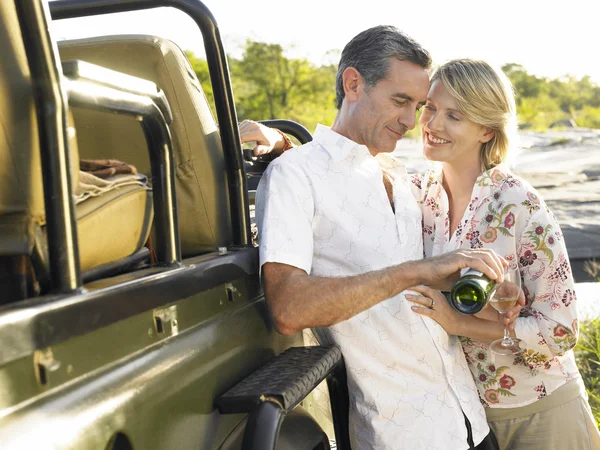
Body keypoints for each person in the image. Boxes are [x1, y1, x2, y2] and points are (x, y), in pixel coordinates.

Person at [254, 25, 514, 449]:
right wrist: (418, 270)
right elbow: (288, 305)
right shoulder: (295, 174)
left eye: (420, 105)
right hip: (399, 432)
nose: (412, 122)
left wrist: (469, 284)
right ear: (353, 83)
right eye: (400, 102)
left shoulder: (393, 172)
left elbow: (405, 284)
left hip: (468, 418)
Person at [401, 59, 600, 449]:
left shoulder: (518, 202)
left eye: (454, 116)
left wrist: (461, 323)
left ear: (486, 129)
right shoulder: (418, 193)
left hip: (542, 411)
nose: (433, 124)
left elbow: (561, 330)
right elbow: (351, 174)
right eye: (431, 108)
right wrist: (282, 143)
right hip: (465, 420)